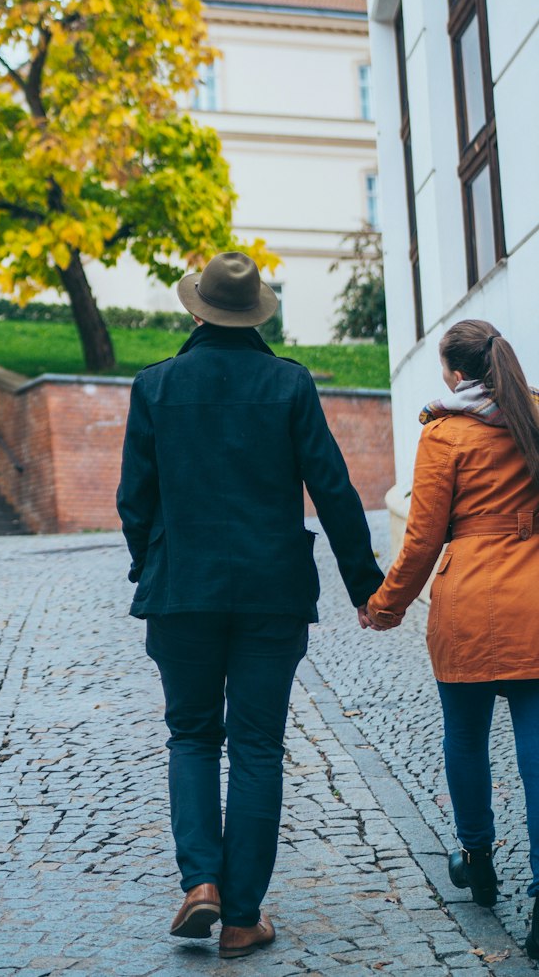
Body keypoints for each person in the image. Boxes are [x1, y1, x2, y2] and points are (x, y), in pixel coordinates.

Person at [117, 251, 384, 960]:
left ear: (196, 310)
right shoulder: (289, 385)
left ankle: (200, 881)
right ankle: (241, 918)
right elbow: (333, 487)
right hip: (272, 593)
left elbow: (133, 500)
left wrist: (153, 567)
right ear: (254, 313)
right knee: (259, 746)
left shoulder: (156, 386)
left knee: (194, 736)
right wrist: (365, 584)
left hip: (183, 593)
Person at [365, 320, 539, 958]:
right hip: (535, 602)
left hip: (468, 603)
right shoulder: (534, 414)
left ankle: (478, 861)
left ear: (455, 373)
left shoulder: (443, 434)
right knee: (537, 746)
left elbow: (422, 538)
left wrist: (385, 605)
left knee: (464, 737)